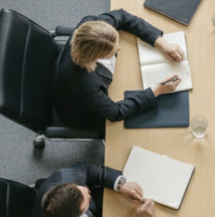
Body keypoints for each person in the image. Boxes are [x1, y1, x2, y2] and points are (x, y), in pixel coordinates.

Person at [52, 9, 184, 129]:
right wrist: (157, 90)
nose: (119, 48)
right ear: (95, 58)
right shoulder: (84, 83)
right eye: (112, 51)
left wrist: (160, 42)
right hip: (80, 110)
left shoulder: (92, 26)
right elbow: (115, 112)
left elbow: (123, 16)